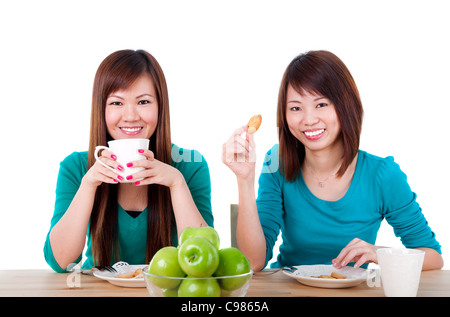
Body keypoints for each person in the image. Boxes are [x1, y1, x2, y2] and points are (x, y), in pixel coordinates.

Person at [223, 50, 443, 272]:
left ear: (346, 105)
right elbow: (253, 262)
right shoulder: (277, 161)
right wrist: (244, 179)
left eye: (321, 104)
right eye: (296, 108)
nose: (309, 120)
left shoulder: (382, 175)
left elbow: (433, 257)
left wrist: (381, 254)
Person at [44, 49, 213, 272]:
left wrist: (177, 183)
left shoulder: (190, 164)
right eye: (116, 103)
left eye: (143, 102)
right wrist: (88, 184)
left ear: (160, 107)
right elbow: (61, 261)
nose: (131, 115)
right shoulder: (75, 167)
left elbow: (206, 257)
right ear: (100, 109)